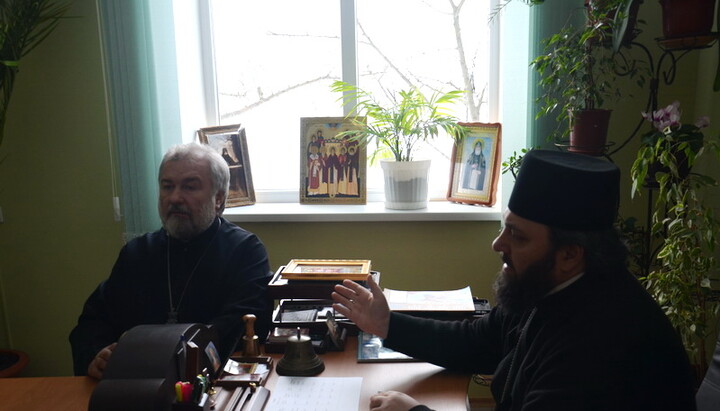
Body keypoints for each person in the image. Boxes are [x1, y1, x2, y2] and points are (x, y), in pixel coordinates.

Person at [332, 149, 697, 411]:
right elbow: (476, 342)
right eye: (504, 227)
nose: (497, 245)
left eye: (517, 236)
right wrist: (386, 324)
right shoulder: (548, 285)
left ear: (570, 254)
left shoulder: (603, 339)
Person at [70, 143, 273, 379]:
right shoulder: (137, 253)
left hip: (210, 386)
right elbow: (94, 321)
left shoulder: (245, 251)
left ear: (218, 199)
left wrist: (171, 358)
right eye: (167, 187)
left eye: (189, 187)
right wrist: (96, 356)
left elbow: (241, 325)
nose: (175, 198)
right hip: (137, 386)